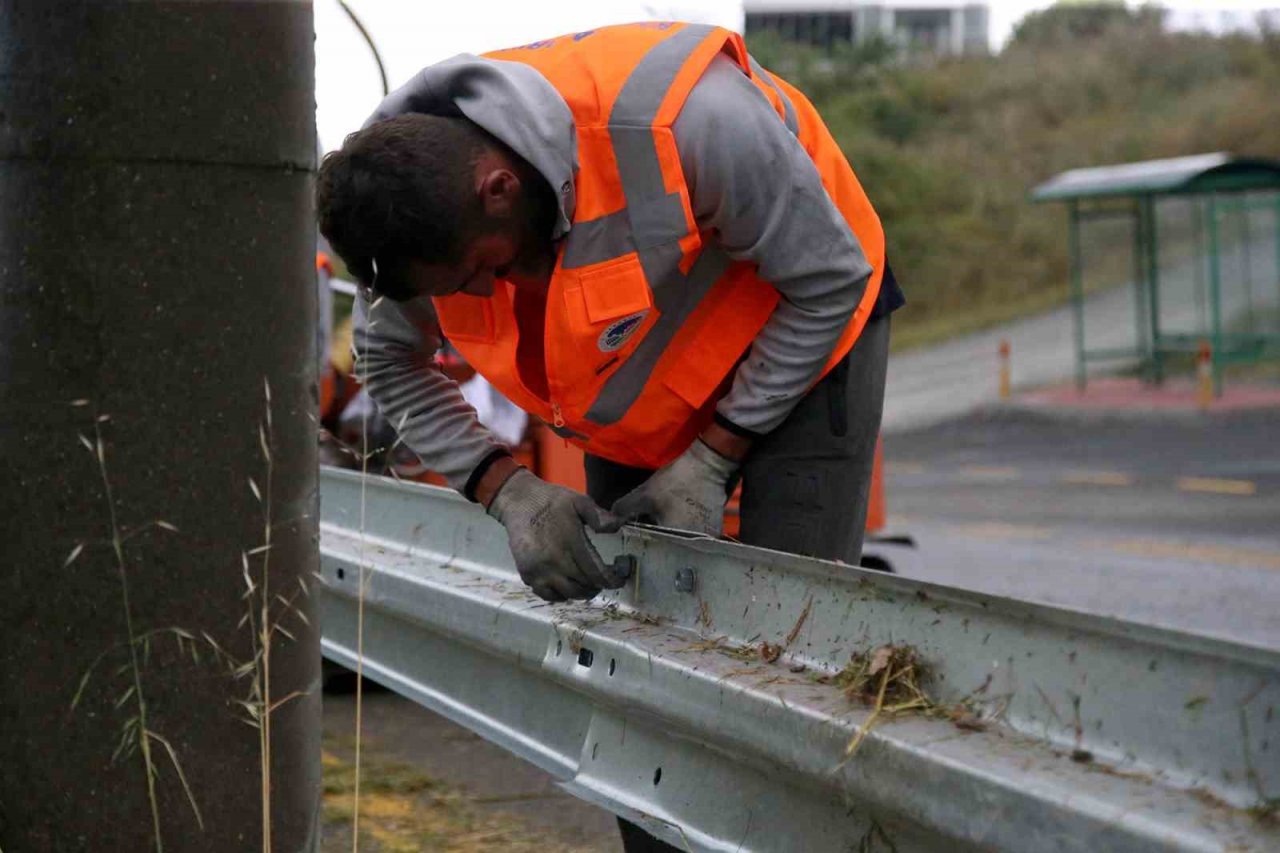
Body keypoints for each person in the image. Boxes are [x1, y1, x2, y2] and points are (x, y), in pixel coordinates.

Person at [318, 21, 904, 851]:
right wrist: (505, 489)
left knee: (788, 652)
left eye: (478, 270)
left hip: (808, 330)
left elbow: (829, 280)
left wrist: (714, 456)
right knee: (639, 649)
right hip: (638, 383)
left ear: (497, 189)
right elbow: (386, 353)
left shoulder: (688, 124)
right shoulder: (401, 204)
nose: (481, 292)